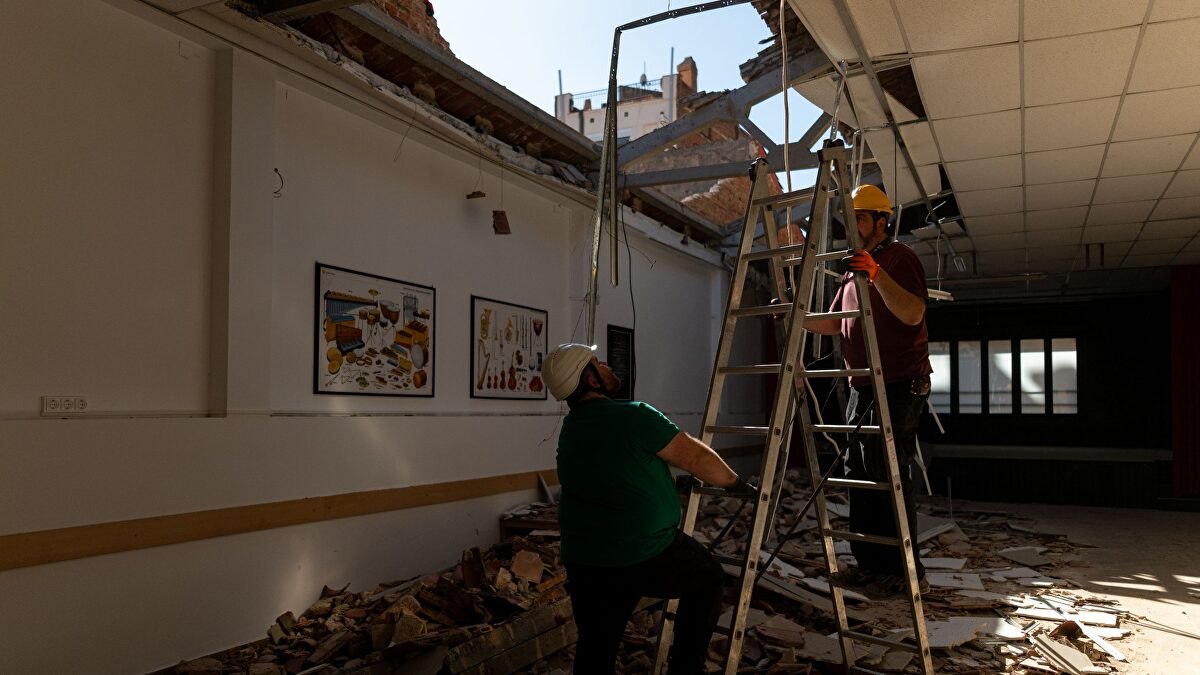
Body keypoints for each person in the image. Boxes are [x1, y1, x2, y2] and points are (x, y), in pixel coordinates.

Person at [541, 343, 752, 674]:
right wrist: (735, 483)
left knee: (596, 647)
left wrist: (668, 485)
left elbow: (613, 473)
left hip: (585, 558)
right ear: (592, 380)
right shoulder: (635, 414)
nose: (606, 364)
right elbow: (695, 457)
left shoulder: (573, 428)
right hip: (642, 550)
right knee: (709, 580)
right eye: (597, 362)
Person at [807, 184, 932, 594]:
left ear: (882, 220)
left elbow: (913, 313)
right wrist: (794, 315)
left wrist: (876, 274)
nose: (853, 226)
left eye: (860, 218)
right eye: (850, 219)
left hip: (898, 381)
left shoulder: (899, 257)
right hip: (861, 383)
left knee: (886, 470)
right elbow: (834, 323)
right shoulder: (851, 270)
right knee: (859, 474)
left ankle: (905, 572)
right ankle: (870, 565)